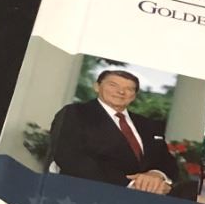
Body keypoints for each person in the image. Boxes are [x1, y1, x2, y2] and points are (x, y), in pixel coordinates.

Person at [48, 67, 180, 193]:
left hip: (147, 199)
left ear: (134, 96)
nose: (121, 92)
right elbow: (69, 156)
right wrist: (131, 184)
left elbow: (166, 161)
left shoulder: (149, 124)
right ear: (97, 86)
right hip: (88, 193)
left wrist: (157, 175)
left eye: (129, 89)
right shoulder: (75, 113)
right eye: (113, 85)